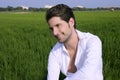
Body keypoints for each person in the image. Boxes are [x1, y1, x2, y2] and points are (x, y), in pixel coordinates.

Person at [46, 4, 103, 80]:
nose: (54, 33)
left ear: (71, 22)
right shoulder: (55, 53)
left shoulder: (92, 41)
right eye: (52, 29)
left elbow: (88, 75)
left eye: (58, 25)